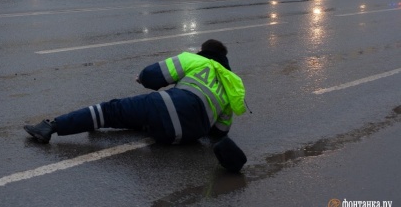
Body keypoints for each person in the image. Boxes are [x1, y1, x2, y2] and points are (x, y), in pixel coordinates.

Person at [24, 39, 248, 172]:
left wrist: (143, 79)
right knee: (144, 121)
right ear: (224, 60)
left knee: (110, 111)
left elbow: (153, 74)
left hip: (164, 106)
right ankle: (115, 124)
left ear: (205, 51)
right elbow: (220, 131)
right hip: (182, 137)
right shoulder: (232, 84)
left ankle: (51, 126)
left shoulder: (196, 60)